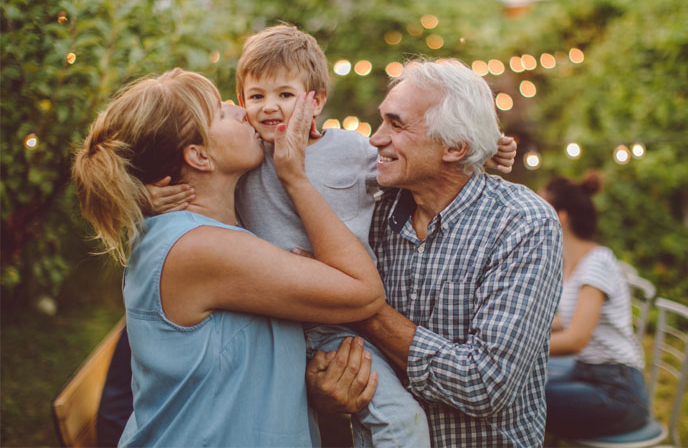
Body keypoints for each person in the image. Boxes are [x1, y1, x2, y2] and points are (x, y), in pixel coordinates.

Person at [144, 25, 517, 447]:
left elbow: (420, 163)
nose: (269, 108)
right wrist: (147, 195)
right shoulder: (246, 157)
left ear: (315, 100)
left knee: (401, 420)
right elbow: (181, 178)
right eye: (255, 97)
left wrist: (486, 149)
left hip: (339, 324)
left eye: (285, 95)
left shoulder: (350, 152)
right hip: (276, 317)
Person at [73, 68, 385, 446]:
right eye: (220, 112)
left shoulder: (190, 232)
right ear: (200, 156)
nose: (240, 110)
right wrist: (294, 177)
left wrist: (315, 388)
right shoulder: (199, 248)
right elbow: (364, 291)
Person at [306, 59, 563, 447]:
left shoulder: (522, 223)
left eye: (396, 124)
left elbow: (484, 384)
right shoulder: (368, 213)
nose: (375, 139)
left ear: (456, 146)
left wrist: (352, 298)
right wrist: (322, 386)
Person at [540, 172, 649, 439]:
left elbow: (576, 339)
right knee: (525, 388)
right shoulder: (574, 263)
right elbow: (566, 320)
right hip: (590, 375)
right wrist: (522, 326)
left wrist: (514, 347)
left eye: (539, 206)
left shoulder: (596, 263)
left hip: (617, 391)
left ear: (560, 217)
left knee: (520, 399)